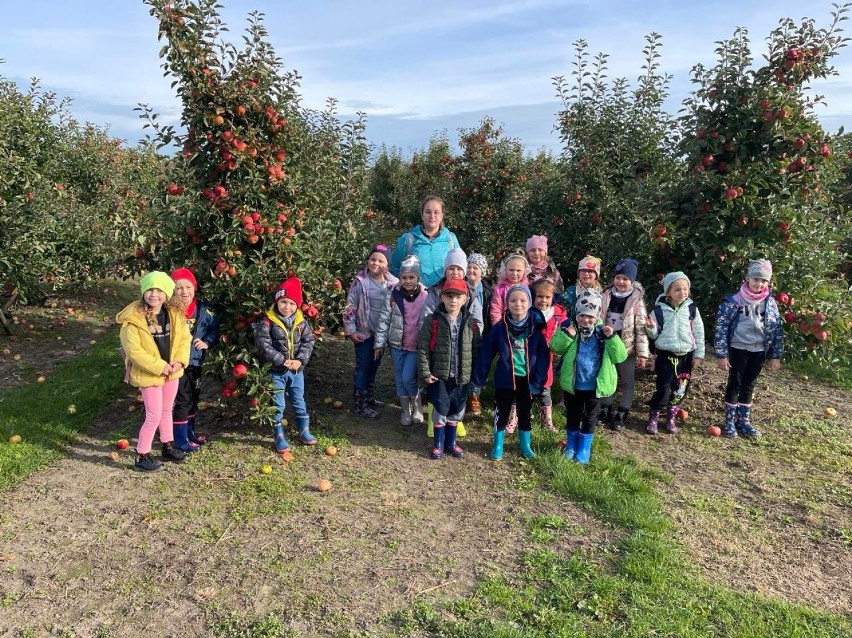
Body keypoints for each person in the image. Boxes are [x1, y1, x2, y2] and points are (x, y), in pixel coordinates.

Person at [117, 271, 191, 471]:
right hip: (149, 373)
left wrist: (180, 361)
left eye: (159, 290)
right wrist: (160, 366)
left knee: (167, 409)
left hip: (172, 371)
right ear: (143, 292)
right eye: (149, 289)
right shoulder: (133, 319)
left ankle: (167, 445)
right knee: (154, 414)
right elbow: (134, 351)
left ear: (167, 293)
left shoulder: (174, 314)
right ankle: (142, 455)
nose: (154, 294)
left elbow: (185, 339)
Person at [549, 290, 627, 464]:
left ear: (598, 314)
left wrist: (612, 338)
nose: (586, 320)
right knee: (573, 415)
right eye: (582, 315)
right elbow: (555, 347)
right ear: (577, 313)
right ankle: (571, 446)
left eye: (590, 316)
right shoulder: (569, 327)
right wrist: (567, 335)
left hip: (593, 386)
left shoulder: (603, 332)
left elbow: (620, 357)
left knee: (590, 417)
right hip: (573, 385)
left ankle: (584, 449)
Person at [473, 284, 550, 461]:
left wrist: (538, 381)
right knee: (501, 411)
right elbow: (486, 353)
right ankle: (498, 444)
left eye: (523, 300)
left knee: (525, 412)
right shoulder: (500, 327)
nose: (518, 304)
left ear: (529, 303)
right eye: (513, 300)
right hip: (505, 379)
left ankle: (525, 445)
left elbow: (543, 357)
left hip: (527, 380)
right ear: (508, 303)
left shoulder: (535, 329)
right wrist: (479, 379)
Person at [713, 259, 783, 438]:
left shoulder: (770, 303)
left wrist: (775, 355)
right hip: (738, 348)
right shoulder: (734, 301)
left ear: (768, 282)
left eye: (763, 280)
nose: (759, 284)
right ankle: (729, 420)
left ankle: (743, 421)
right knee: (735, 382)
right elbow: (721, 327)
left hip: (758, 350)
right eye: (756, 279)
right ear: (747, 279)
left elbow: (777, 329)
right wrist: (721, 354)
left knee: (749, 385)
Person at [417, 278, 481, 459]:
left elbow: (476, 350)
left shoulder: (471, 323)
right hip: (440, 375)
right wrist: (425, 372)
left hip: (461, 375)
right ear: (442, 298)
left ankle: (451, 443)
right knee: (439, 407)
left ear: (465, 299)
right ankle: (438, 443)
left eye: (458, 296)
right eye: (449, 296)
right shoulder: (433, 321)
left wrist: (475, 374)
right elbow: (422, 348)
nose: (453, 300)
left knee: (457, 408)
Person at [254, 277, 317, 453]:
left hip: (296, 371)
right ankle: (278, 434)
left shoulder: (301, 322)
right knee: (278, 403)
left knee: (299, 401)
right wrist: (281, 360)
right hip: (276, 371)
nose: (287, 307)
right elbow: (263, 344)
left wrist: (300, 361)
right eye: (283, 302)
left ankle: (304, 430)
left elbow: (308, 342)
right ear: (277, 301)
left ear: (297, 305)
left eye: (291, 303)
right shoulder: (268, 321)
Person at [644, 272, 705, 435]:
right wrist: (650, 328)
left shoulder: (691, 309)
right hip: (666, 356)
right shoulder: (658, 311)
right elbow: (654, 335)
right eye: (677, 289)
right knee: (663, 389)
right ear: (668, 292)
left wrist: (698, 355)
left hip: (686, 357)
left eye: (685, 289)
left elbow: (698, 332)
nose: (682, 293)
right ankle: (654, 416)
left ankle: (671, 416)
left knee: (680, 389)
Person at [343, 245, 399, 418]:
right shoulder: (360, 282)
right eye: (373, 259)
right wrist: (351, 332)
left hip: (380, 335)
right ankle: (360, 404)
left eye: (381, 260)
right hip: (363, 333)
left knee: (374, 366)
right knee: (363, 366)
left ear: (387, 264)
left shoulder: (393, 283)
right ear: (367, 261)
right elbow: (349, 308)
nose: (376, 263)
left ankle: (369, 397)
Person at [375, 255, 428, 426]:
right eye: (404, 277)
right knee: (399, 378)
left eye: (411, 277)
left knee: (408, 378)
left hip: (415, 345)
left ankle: (417, 406)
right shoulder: (393, 295)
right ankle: (406, 411)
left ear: (418, 278)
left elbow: (429, 320)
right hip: (397, 344)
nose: (407, 281)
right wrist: (379, 343)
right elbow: (384, 319)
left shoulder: (426, 296)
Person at [170, 267, 219, 452]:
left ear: (194, 288)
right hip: (177, 364)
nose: (184, 292)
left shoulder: (205, 311)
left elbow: (213, 329)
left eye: (187, 287)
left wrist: (208, 342)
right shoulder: (170, 311)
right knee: (182, 400)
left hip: (195, 361)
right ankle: (180, 439)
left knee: (193, 398)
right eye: (179, 287)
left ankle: (190, 433)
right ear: (173, 290)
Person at [598, 259, 650, 430]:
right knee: (608, 376)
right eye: (618, 277)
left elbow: (641, 328)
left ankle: (623, 411)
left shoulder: (637, 300)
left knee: (627, 380)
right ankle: (606, 407)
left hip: (627, 347)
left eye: (625, 279)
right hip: (608, 345)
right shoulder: (606, 295)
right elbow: (599, 317)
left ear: (632, 281)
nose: (621, 281)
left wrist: (642, 353)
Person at [390, 195, 460, 287]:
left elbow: (459, 267)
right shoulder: (408, 239)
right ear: (422, 215)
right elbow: (395, 268)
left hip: (445, 295)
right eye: (428, 212)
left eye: (436, 212)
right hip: (416, 297)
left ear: (442, 216)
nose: (432, 216)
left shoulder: (450, 239)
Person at [530, 278, 568, 432]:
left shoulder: (558, 315)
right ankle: (524, 415)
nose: (543, 300)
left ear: (553, 298)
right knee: (527, 387)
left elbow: (565, 331)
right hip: (529, 356)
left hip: (547, 358)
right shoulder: (528, 311)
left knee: (545, 389)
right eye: (539, 296)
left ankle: (547, 420)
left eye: (547, 297)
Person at [420, 248, 483, 331]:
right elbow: (425, 320)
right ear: (445, 271)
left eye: (459, 269)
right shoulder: (436, 293)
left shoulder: (470, 293)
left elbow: (478, 322)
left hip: (463, 341)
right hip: (438, 340)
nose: (455, 272)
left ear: (464, 272)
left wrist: (472, 340)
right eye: (451, 269)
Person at [465, 252, 492, 416]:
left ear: (482, 272)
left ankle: (475, 396)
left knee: (480, 367)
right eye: (469, 267)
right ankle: (465, 396)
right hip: (466, 333)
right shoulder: (461, 286)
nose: (472, 270)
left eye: (476, 268)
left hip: (484, 333)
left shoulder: (488, 290)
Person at [561, 255, 603, 323]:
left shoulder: (602, 294)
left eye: (590, 271)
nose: (586, 274)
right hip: (571, 328)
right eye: (583, 270)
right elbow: (564, 314)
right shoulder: (570, 292)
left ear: (596, 275)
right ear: (579, 273)